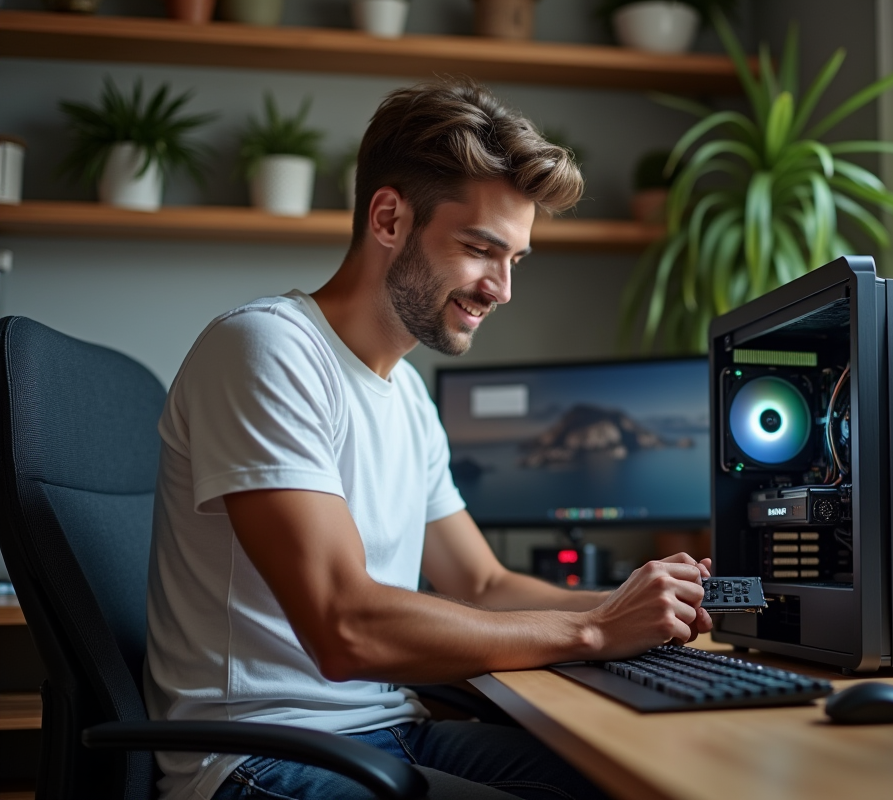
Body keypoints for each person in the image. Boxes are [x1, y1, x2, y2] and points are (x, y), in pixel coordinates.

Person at [145, 79, 713, 800]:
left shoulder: (407, 395)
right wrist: (596, 632)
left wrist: (638, 605)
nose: (501, 288)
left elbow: (483, 584)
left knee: (640, 782)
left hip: (390, 728)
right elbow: (344, 627)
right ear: (389, 217)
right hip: (262, 755)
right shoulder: (266, 349)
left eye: (515, 259)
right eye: (481, 248)